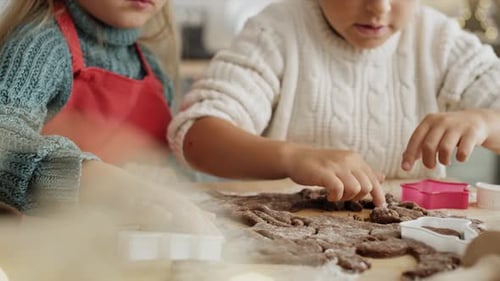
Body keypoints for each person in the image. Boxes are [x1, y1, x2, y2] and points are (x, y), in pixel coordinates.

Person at [168, 0, 500, 207]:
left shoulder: (440, 39)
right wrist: (292, 157)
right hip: (291, 242)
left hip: (412, 237)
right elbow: (197, 136)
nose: (379, 7)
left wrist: (486, 120)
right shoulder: (277, 30)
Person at [0, 0, 217, 234]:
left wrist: (168, 179)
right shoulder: (39, 45)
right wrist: (100, 183)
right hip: (52, 252)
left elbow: (174, 178)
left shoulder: (150, 65)